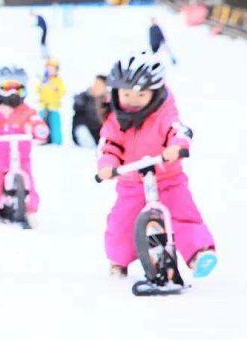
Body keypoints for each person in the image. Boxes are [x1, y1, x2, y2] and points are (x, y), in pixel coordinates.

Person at [96, 51, 216, 278]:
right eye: (126, 94)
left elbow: (179, 130)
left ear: (156, 93)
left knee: (183, 214)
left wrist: (176, 147)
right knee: (121, 224)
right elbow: (108, 145)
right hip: (132, 182)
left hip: (168, 178)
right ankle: (118, 261)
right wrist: (106, 165)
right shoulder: (115, 120)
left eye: (141, 95)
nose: (132, 100)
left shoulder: (164, 114)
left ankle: (199, 254)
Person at [0, 66, 49, 222]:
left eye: (18, 89)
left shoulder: (25, 111)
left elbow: (34, 121)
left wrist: (39, 129)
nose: (12, 93)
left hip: (21, 159)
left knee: (31, 193)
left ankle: (26, 210)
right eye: (7, 88)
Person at [71, 75, 110, 148]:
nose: (95, 87)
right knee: (80, 118)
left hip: (100, 129)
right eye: (95, 83)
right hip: (87, 127)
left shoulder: (109, 100)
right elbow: (77, 106)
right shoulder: (85, 97)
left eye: (99, 85)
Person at [36, 58, 66, 145]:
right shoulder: (43, 80)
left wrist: (56, 88)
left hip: (53, 107)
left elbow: (63, 91)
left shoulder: (58, 80)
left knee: (55, 124)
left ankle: (56, 141)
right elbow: (37, 90)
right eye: (48, 69)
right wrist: (40, 87)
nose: (50, 71)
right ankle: (41, 139)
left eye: (52, 69)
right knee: (41, 123)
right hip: (43, 106)